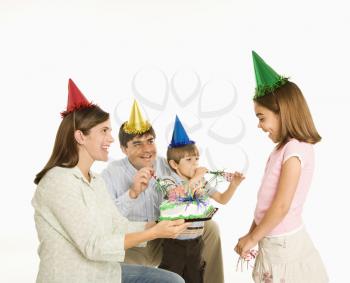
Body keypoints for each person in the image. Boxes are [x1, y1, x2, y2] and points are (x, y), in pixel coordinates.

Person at [32, 79, 188, 283]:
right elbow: (93, 246)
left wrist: (158, 225)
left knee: (173, 281)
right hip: (74, 278)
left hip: (105, 274)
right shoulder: (58, 182)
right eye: (103, 131)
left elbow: (116, 225)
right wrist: (154, 233)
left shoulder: (95, 181)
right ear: (80, 137)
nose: (111, 139)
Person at [101, 100, 225, 283]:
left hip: (167, 237)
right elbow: (106, 222)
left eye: (150, 141)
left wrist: (196, 178)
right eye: (137, 144)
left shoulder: (168, 166)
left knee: (210, 228)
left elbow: (189, 196)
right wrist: (132, 193)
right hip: (135, 241)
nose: (147, 149)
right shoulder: (111, 174)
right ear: (123, 149)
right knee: (120, 272)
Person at [234, 51, 329, 282]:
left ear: (282, 112)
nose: (259, 125)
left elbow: (281, 205)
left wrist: (253, 238)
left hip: (283, 243)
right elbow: (264, 204)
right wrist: (251, 233)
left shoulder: (295, 151)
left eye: (261, 117)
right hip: (273, 238)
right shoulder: (281, 150)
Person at [157, 115, 245, 283]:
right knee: (170, 278)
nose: (195, 164)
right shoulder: (168, 181)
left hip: (196, 242)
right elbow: (175, 198)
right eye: (189, 160)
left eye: (196, 159)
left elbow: (221, 199)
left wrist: (233, 185)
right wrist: (196, 178)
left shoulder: (200, 182)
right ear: (174, 164)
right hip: (174, 244)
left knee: (195, 277)